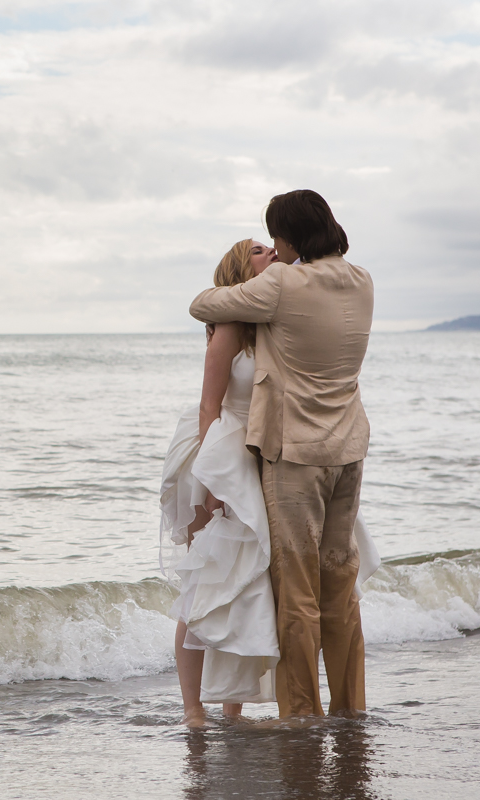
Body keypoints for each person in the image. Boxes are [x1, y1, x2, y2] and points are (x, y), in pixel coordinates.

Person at [187, 190, 376, 719]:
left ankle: (301, 715)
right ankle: (350, 708)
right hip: (349, 448)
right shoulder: (362, 280)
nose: (273, 246)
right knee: (340, 583)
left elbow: (203, 305)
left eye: (275, 236)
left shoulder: (281, 282)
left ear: (290, 236)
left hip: (295, 454)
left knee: (296, 594)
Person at [160, 239, 281, 726]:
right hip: (220, 447)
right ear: (238, 266)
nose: (271, 251)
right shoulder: (229, 325)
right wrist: (211, 485)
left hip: (261, 450)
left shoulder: (271, 322)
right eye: (258, 249)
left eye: (273, 245)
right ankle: (193, 709)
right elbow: (211, 406)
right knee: (204, 584)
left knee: (250, 584)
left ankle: (233, 706)